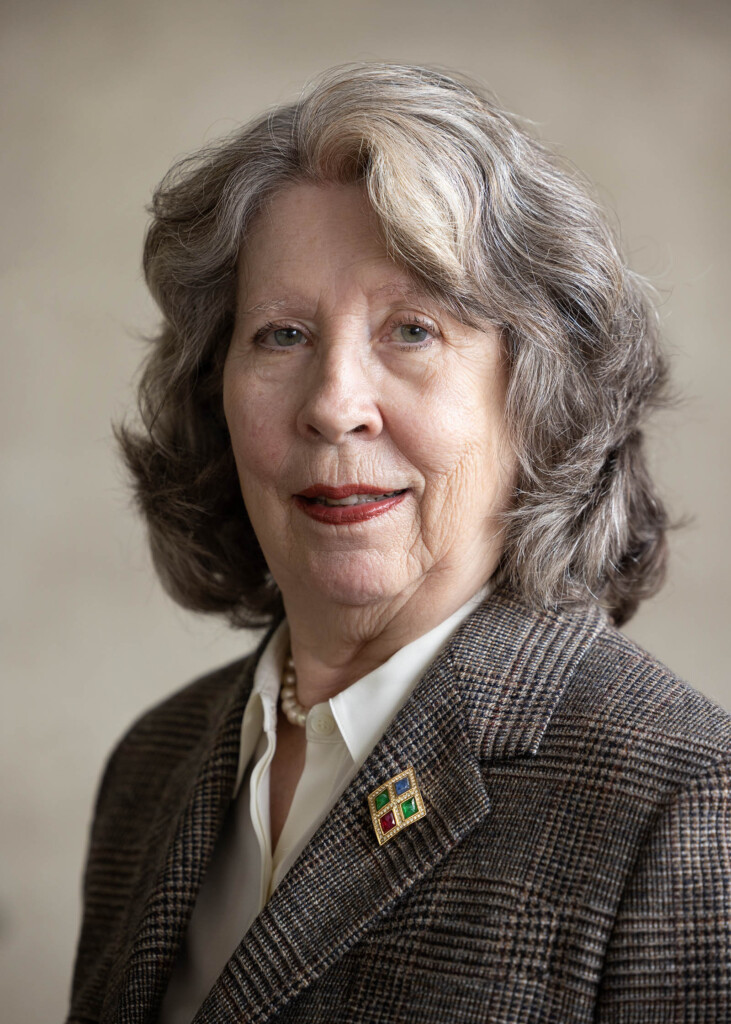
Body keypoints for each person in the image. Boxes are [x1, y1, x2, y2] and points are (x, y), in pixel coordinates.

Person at [68, 63, 731, 1023]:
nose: (335, 406)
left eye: (412, 330)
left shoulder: (683, 801)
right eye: (282, 335)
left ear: (538, 399)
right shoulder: (152, 764)